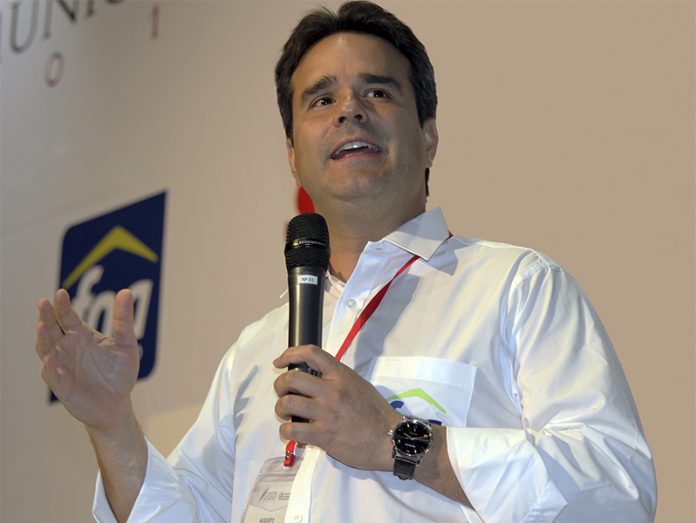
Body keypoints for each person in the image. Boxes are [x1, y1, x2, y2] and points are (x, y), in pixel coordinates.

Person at [35, 2, 657, 522]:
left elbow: (618, 488)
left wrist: (400, 442)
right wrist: (112, 427)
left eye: (377, 92)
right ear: (293, 155)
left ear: (428, 136)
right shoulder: (255, 351)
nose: (349, 110)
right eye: (321, 99)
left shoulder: (516, 288)